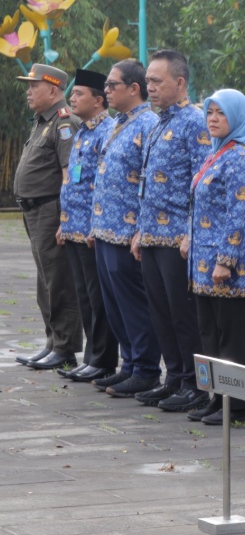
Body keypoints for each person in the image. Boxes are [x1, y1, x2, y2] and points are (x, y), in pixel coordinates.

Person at [131, 50, 208, 412]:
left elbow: (201, 183)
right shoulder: (158, 121)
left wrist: (192, 232)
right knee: (161, 312)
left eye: (157, 81)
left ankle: (195, 384)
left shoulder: (195, 122)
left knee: (183, 315)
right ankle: (174, 377)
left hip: (178, 238)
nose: (150, 87)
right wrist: (139, 231)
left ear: (180, 83)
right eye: (148, 81)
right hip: (152, 235)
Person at [184, 89, 245, 425]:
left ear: (237, 118)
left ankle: (238, 409)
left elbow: (238, 214)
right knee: (209, 334)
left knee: (230, 338)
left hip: (229, 266)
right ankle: (217, 400)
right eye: (210, 112)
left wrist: (225, 260)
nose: (213, 119)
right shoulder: (216, 153)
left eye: (221, 113)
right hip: (203, 263)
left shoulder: (241, 157)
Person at [90, 60, 161, 396]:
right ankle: (129, 364)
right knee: (114, 304)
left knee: (134, 303)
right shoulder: (117, 123)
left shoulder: (148, 123)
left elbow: (149, 181)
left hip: (127, 231)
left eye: (112, 85)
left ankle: (146, 368)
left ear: (134, 88)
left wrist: (141, 228)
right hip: (105, 228)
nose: (106, 91)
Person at [12, 63, 83, 371]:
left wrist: (66, 218)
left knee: (59, 280)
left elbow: (71, 175)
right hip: (34, 211)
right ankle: (53, 342)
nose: (28, 91)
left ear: (53, 90)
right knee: (45, 280)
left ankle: (65, 347)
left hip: (51, 210)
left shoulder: (64, 124)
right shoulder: (42, 121)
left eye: (34, 86)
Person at [55, 68, 117, 383]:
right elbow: (74, 180)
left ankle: (103, 358)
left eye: (79, 94)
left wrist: (94, 224)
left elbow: (102, 186)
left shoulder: (107, 130)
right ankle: (92, 356)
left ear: (99, 99)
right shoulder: (82, 131)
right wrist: (64, 222)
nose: (73, 98)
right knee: (84, 295)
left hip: (93, 229)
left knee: (98, 296)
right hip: (74, 226)